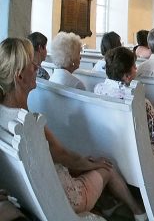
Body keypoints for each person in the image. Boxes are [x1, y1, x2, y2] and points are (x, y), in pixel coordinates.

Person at [0, 38, 146, 219]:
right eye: (32, 63)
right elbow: (66, 157)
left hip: (29, 195)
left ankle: (108, 205)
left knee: (90, 161)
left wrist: (84, 161)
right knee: (107, 165)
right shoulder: (29, 125)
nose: (37, 66)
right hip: (64, 197)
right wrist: (95, 163)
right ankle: (139, 212)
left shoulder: (5, 113)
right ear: (19, 76)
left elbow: (62, 156)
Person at [93, 47, 154, 199]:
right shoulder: (138, 100)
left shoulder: (98, 89)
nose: (137, 69)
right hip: (137, 149)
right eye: (135, 66)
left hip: (109, 143)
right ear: (127, 76)